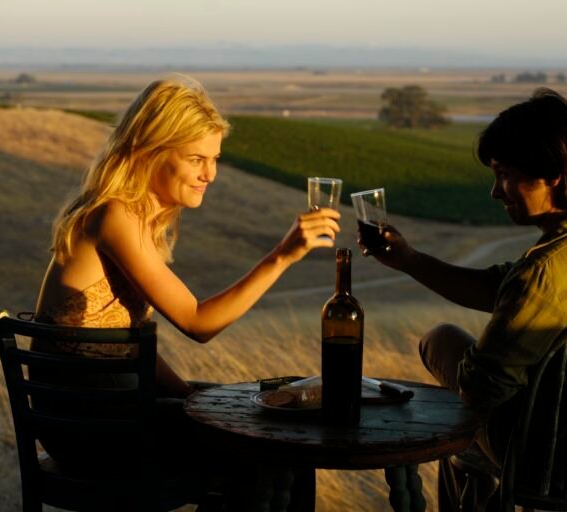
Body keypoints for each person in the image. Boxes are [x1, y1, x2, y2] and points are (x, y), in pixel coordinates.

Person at [31, 74, 339, 508]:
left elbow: (123, 342)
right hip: (89, 422)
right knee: (269, 436)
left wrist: (189, 394)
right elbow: (198, 323)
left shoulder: (131, 216)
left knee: (262, 412)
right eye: (197, 159)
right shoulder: (114, 215)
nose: (209, 174)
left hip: (102, 408)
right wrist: (282, 256)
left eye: (214, 159)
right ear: (150, 150)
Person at [358, 88, 567, 510]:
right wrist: (410, 260)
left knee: (440, 341)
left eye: (503, 174)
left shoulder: (545, 271)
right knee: (467, 450)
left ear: (552, 173)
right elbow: (501, 289)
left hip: (556, 458)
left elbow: (479, 392)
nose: (495, 192)